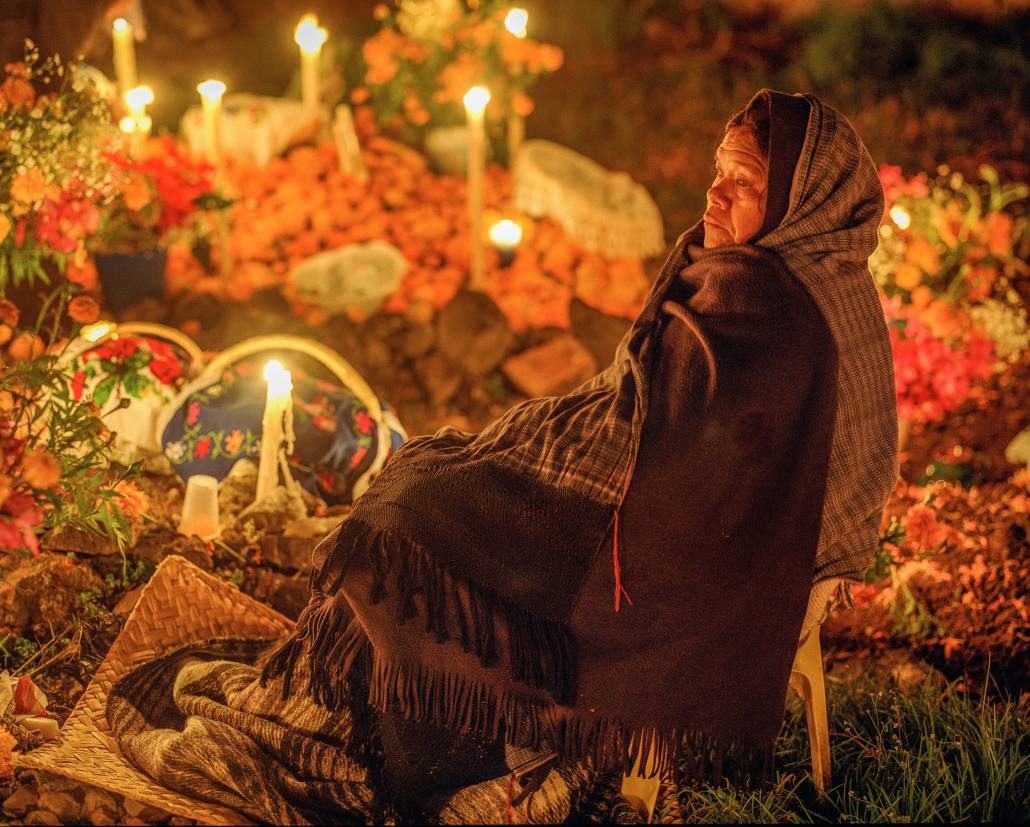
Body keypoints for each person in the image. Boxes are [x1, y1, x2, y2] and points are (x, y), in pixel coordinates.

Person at [108, 89, 898, 824]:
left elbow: (691, 481)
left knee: (416, 522)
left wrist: (546, 485)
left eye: (745, 182)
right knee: (436, 473)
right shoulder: (795, 268)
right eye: (717, 172)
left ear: (802, 196)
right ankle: (386, 692)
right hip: (712, 523)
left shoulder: (774, 318)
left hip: (707, 564)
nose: (715, 196)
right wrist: (546, 446)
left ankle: (425, 740)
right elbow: (665, 423)